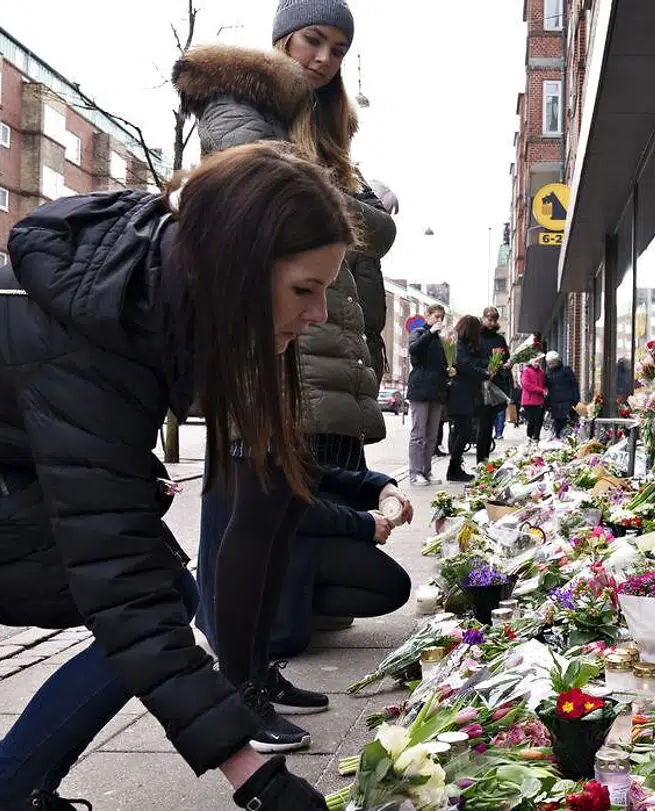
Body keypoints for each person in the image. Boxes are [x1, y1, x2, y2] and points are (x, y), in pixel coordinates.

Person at [0, 143, 341, 811]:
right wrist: (256, 778)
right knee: (147, 602)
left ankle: (7, 792)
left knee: (157, 595)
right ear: (235, 264)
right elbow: (123, 588)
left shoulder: (146, 280)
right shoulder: (88, 336)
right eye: (304, 290)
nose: (319, 314)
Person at [177, 0, 413, 750]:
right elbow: (333, 216)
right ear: (283, 37)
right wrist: (349, 200)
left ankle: (257, 672)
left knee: (275, 518)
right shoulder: (237, 105)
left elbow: (366, 233)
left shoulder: (314, 129)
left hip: (292, 339)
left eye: (338, 48)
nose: (323, 59)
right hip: (255, 338)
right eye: (314, 39)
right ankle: (237, 689)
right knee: (252, 517)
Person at [406, 303, 450, 486]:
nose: (439, 320)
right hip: (420, 389)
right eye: (436, 316)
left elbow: (445, 361)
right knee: (419, 434)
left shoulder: (442, 338)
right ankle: (415, 472)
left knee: (432, 435)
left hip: (437, 390)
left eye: (442, 317)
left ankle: (426, 470)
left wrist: (450, 369)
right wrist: (430, 333)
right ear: (428, 316)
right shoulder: (418, 332)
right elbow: (414, 350)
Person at [446, 315, 488, 483]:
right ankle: (454, 467)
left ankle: (455, 466)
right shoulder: (460, 345)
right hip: (461, 393)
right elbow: (465, 366)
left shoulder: (461, 344)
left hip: (462, 393)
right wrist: (485, 373)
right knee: (464, 431)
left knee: (461, 431)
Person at [475, 307, 511, 461]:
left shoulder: (499, 339)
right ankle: (480, 460)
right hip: (480, 385)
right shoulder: (477, 337)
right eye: (489, 319)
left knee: (489, 425)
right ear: (483, 318)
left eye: (494, 320)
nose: (491, 323)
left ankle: (485, 459)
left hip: (495, 385)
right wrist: (488, 367)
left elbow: (506, 358)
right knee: (482, 425)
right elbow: (473, 359)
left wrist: (505, 366)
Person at [544, 351, 579, 438]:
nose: (550, 364)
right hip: (555, 404)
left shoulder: (566, 370)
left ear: (557, 361)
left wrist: (576, 400)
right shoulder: (547, 373)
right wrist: (547, 403)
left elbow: (574, 385)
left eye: (551, 362)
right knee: (558, 425)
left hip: (567, 403)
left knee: (568, 424)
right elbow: (546, 388)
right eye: (548, 362)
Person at [519, 357, 549, 443]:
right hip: (529, 401)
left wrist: (546, 390)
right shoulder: (526, 371)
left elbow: (544, 384)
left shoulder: (541, 372)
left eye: (538, 362)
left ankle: (536, 438)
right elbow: (526, 385)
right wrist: (541, 390)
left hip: (539, 400)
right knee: (531, 420)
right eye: (535, 361)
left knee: (539, 421)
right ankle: (529, 437)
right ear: (531, 362)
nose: (537, 363)